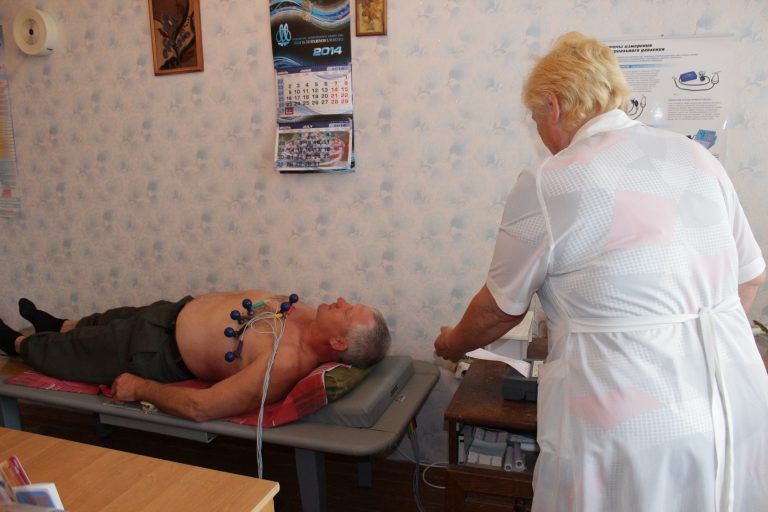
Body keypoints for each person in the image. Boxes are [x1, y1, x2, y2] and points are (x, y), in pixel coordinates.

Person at [434, 32, 767, 511]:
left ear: (554, 105)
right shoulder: (696, 155)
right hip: (734, 403)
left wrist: (451, 344)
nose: (539, 134)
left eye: (535, 118)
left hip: (631, 423)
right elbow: (749, 277)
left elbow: (499, 310)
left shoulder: (553, 180)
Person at [0, 291, 390, 423]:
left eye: (347, 311)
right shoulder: (305, 313)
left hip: (156, 351)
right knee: (106, 321)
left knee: (83, 351)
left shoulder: (283, 364)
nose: (341, 300)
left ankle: (15, 344)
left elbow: (202, 407)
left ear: (338, 344)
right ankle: (58, 323)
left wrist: (140, 388)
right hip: (170, 313)